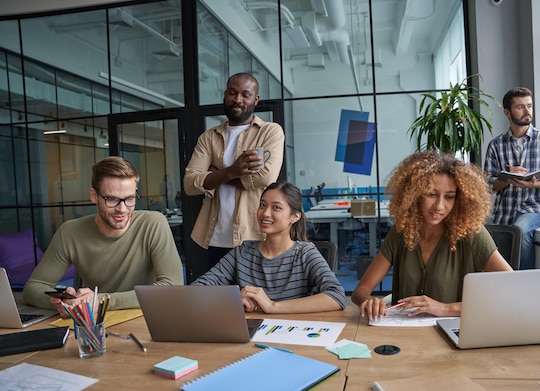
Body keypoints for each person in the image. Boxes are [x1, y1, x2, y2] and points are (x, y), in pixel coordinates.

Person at [351, 151, 512, 321]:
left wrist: (445, 308)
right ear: (415, 194)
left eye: (449, 197)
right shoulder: (402, 232)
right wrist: (370, 302)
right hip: (405, 335)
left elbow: (513, 288)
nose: (439, 206)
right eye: (431, 194)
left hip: (454, 335)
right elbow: (360, 292)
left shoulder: (472, 233)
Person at [23, 156, 184, 317]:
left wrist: (101, 301)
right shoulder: (70, 232)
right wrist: (63, 302)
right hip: (96, 324)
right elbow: (33, 287)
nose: (122, 209)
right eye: (112, 199)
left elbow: (172, 287)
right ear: (94, 196)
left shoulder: (153, 223)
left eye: (129, 199)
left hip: (147, 320)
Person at [190, 182, 346, 314]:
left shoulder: (305, 253)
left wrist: (273, 306)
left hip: (294, 335)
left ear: (295, 216)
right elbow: (197, 290)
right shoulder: (243, 252)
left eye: (276, 208)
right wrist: (236, 299)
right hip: (251, 336)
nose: (265, 213)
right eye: (262, 205)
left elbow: (336, 296)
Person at [184, 73, 285, 270]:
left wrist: (216, 174)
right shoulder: (209, 137)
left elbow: (266, 178)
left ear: (255, 99)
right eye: (232, 93)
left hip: (255, 236)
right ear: (225, 95)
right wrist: (233, 171)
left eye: (245, 94)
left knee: (255, 299)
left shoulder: (270, 132)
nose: (238, 99)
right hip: (215, 238)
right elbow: (190, 183)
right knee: (221, 300)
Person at [484, 87, 540, 269]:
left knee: (519, 230)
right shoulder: (495, 146)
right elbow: (488, 183)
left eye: (529, 106)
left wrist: (535, 185)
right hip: (504, 210)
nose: (527, 111)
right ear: (507, 112)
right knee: (497, 251)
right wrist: (506, 179)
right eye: (520, 107)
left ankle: (525, 283)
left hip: (534, 207)